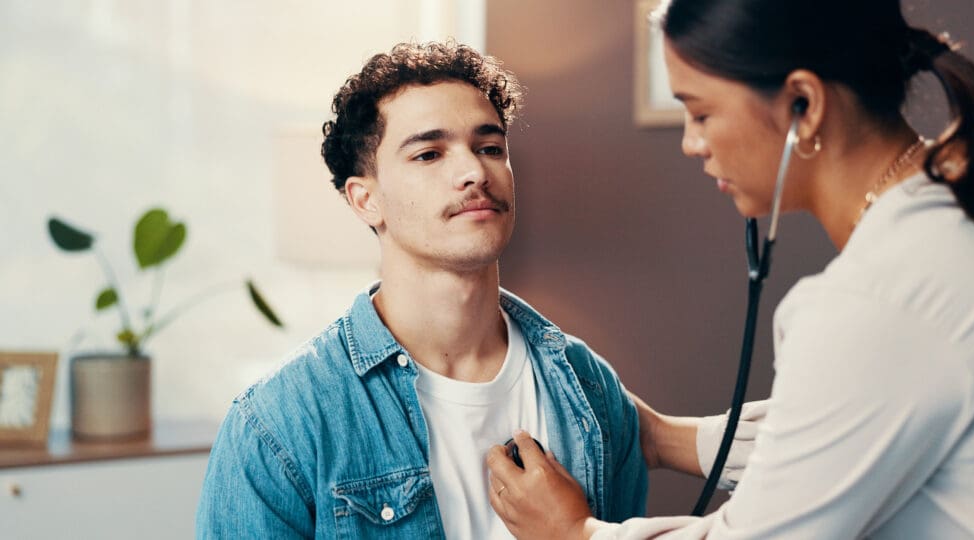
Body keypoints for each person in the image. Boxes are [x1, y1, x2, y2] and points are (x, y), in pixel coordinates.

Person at [485, 0, 974, 538]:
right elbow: (833, 438)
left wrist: (572, 532)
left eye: (701, 114)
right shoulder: (954, 213)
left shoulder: (877, 299)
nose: (691, 143)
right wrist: (655, 436)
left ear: (804, 104)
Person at [195, 41, 759, 539]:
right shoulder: (277, 425)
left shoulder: (586, 385)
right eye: (429, 154)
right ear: (365, 199)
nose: (474, 171)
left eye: (490, 148)